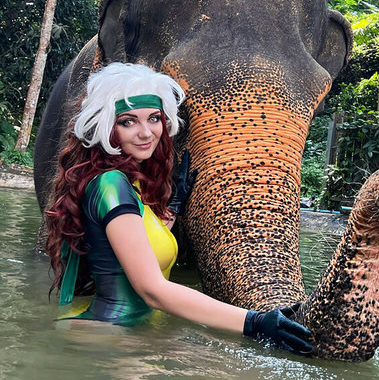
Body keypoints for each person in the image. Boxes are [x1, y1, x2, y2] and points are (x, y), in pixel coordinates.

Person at [45, 62, 315, 356]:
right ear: (107, 127)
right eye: (128, 122)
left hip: (134, 332)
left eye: (153, 118)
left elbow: (138, 245)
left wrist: (174, 207)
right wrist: (254, 322)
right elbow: (152, 290)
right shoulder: (111, 184)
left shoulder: (129, 183)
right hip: (111, 336)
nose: (146, 133)